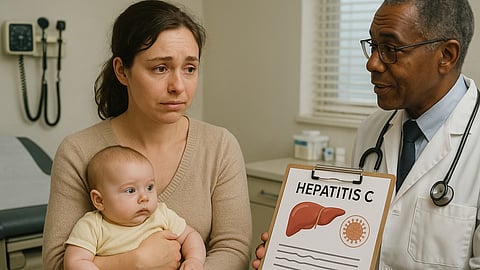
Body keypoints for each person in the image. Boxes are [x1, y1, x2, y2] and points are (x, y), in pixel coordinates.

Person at [253, 0, 480, 269]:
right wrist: (294, 256)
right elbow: (352, 245)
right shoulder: (371, 132)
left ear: (446, 56)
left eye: (390, 49)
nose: (372, 64)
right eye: (373, 47)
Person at [42, 1, 252, 269]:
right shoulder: (78, 151)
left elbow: (233, 248)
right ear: (122, 71)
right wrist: (133, 262)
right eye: (160, 68)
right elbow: (56, 264)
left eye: (189, 68)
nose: (178, 86)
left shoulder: (220, 146)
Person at [64, 145, 206, 270]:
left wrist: (195, 260)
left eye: (149, 187)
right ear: (99, 200)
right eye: (130, 190)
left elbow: (190, 235)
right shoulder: (93, 226)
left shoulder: (161, 214)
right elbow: (75, 261)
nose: (144, 197)